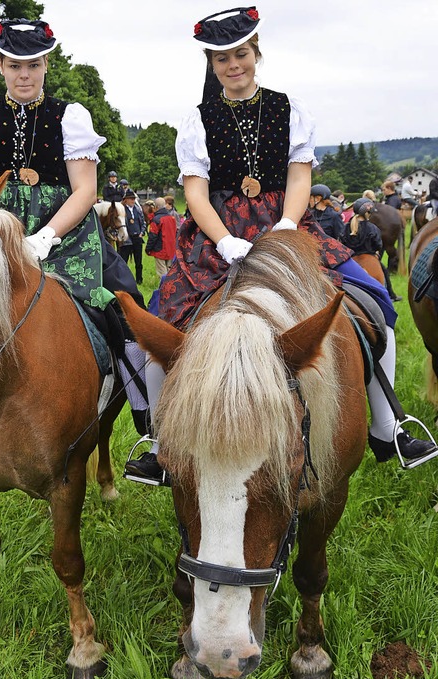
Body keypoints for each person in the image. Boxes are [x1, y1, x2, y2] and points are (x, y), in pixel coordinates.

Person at [125, 7, 435, 481]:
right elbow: (194, 192)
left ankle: (387, 425)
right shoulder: (197, 119)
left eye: (242, 55)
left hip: (288, 226)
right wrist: (226, 240)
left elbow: (299, 176)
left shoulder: (290, 109)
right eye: (223, 58)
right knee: (160, 320)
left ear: (256, 54)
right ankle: (160, 442)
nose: (234, 65)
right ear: (212, 65)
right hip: (217, 230)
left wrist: (289, 224)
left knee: (375, 307)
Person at [0, 18, 150, 433]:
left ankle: (150, 424)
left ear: (46, 66)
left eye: (34, 65)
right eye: (15, 65)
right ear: (1, 66)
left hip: (65, 235)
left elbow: (85, 192)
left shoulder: (70, 116)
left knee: (125, 305)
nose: (25, 75)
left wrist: (45, 236)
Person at [342, 198, 401, 302]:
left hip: (351, 260)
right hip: (369, 257)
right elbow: (378, 245)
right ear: (367, 213)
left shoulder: (346, 227)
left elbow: (342, 243)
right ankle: (391, 295)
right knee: (385, 273)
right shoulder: (373, 228)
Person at [145, 197, 177, 278]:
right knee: (170, 272)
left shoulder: (156, 219)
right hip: (171, 249)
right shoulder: (171, 218)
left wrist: (148, 248)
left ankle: (164, 289)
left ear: (156, 207)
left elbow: (153, 236)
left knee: (162, 274)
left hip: (160, 249)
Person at [121, 188, 146, 282]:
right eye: (131, 198)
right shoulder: (121, 209)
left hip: (137, 237)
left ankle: (139, 279)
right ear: (126, 199)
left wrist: (142, 232)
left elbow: (143, 222)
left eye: (133, 199)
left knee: (138, 261)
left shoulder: (138, 209)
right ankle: (124, 279)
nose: (133, 200)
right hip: (127, 239)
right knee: (124, 261)